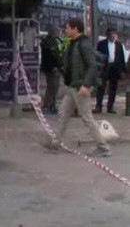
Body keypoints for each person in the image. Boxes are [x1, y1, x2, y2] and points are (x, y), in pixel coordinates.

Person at [44, 17, 110, 157]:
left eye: (67, 27)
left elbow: (92, 66)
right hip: (72, 86)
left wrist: (86, 85)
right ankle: (56, 143)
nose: (65, 30)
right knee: (63, 114)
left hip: (80, 86)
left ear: (75, 29)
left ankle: (103, 147)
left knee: (86, 117)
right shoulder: (73, 43)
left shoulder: (84, 44)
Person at [95, 28, 127, 114]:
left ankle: (110, 107)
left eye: (114, 34)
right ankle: (98, 106)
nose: (113, 36)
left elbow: (122, 58)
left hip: (115, 68)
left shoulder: (119, 44)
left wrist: (123, 70)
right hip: (104, 67)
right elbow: (97, 56)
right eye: (111, 34)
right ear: (107, 35)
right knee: (101, 87)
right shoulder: (101, 44)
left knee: (113, 88)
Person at [40, 26, 63, 114]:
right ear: (54, 32)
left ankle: (49, 104)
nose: (59, 33)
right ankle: (49, 105)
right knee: (53, 87)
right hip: (52, 68)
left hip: (48, 67)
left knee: (51, 87)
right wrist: (57, 66)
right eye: (58, 31)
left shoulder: (46, 41)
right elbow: (54, 56)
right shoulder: (52, 42)